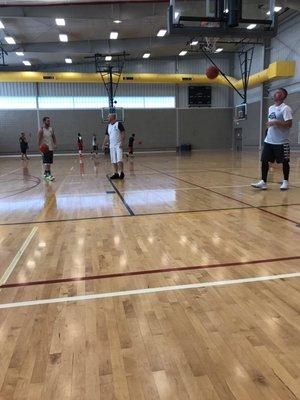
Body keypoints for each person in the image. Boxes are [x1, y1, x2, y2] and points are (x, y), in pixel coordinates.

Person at [251, 88, 293, 191]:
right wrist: (272, 124)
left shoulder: (285, 108)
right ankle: (263, 182)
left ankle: (285, 182)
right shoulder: (271, 108)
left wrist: (276, 122)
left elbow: (289, 124)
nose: (275, 93)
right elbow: (272, 123)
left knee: (284, 162)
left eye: (278, 92)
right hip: (269, 140)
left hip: (282, 141)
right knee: (264, 161)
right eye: (276, 92)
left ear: (283, 96)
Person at [102, 113, 125, 179]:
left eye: (108, 117)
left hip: (118, 145)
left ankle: (121, 173)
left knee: (119, 159)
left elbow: (123, 133)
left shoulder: (118, 124)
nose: (107, 118)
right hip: (111, 146)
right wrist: (103, 144)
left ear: (112, 117)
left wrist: (122, 142)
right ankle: (116, 173)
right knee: (113, 160)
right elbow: (107, 136)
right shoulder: (108, 126)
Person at [38, 116, 57, 181]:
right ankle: (48, 175)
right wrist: (40, 149)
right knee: (46, 162)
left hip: (51, 147)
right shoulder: (41, 130)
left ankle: (46, 174)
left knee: (49, 162)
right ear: (44, 122)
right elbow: (39, 140)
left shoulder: (51, 129)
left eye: (49, 121)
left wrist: (55, 143)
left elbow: (53, 137)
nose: (49, 122)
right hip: (45, 148)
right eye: (48, 121)